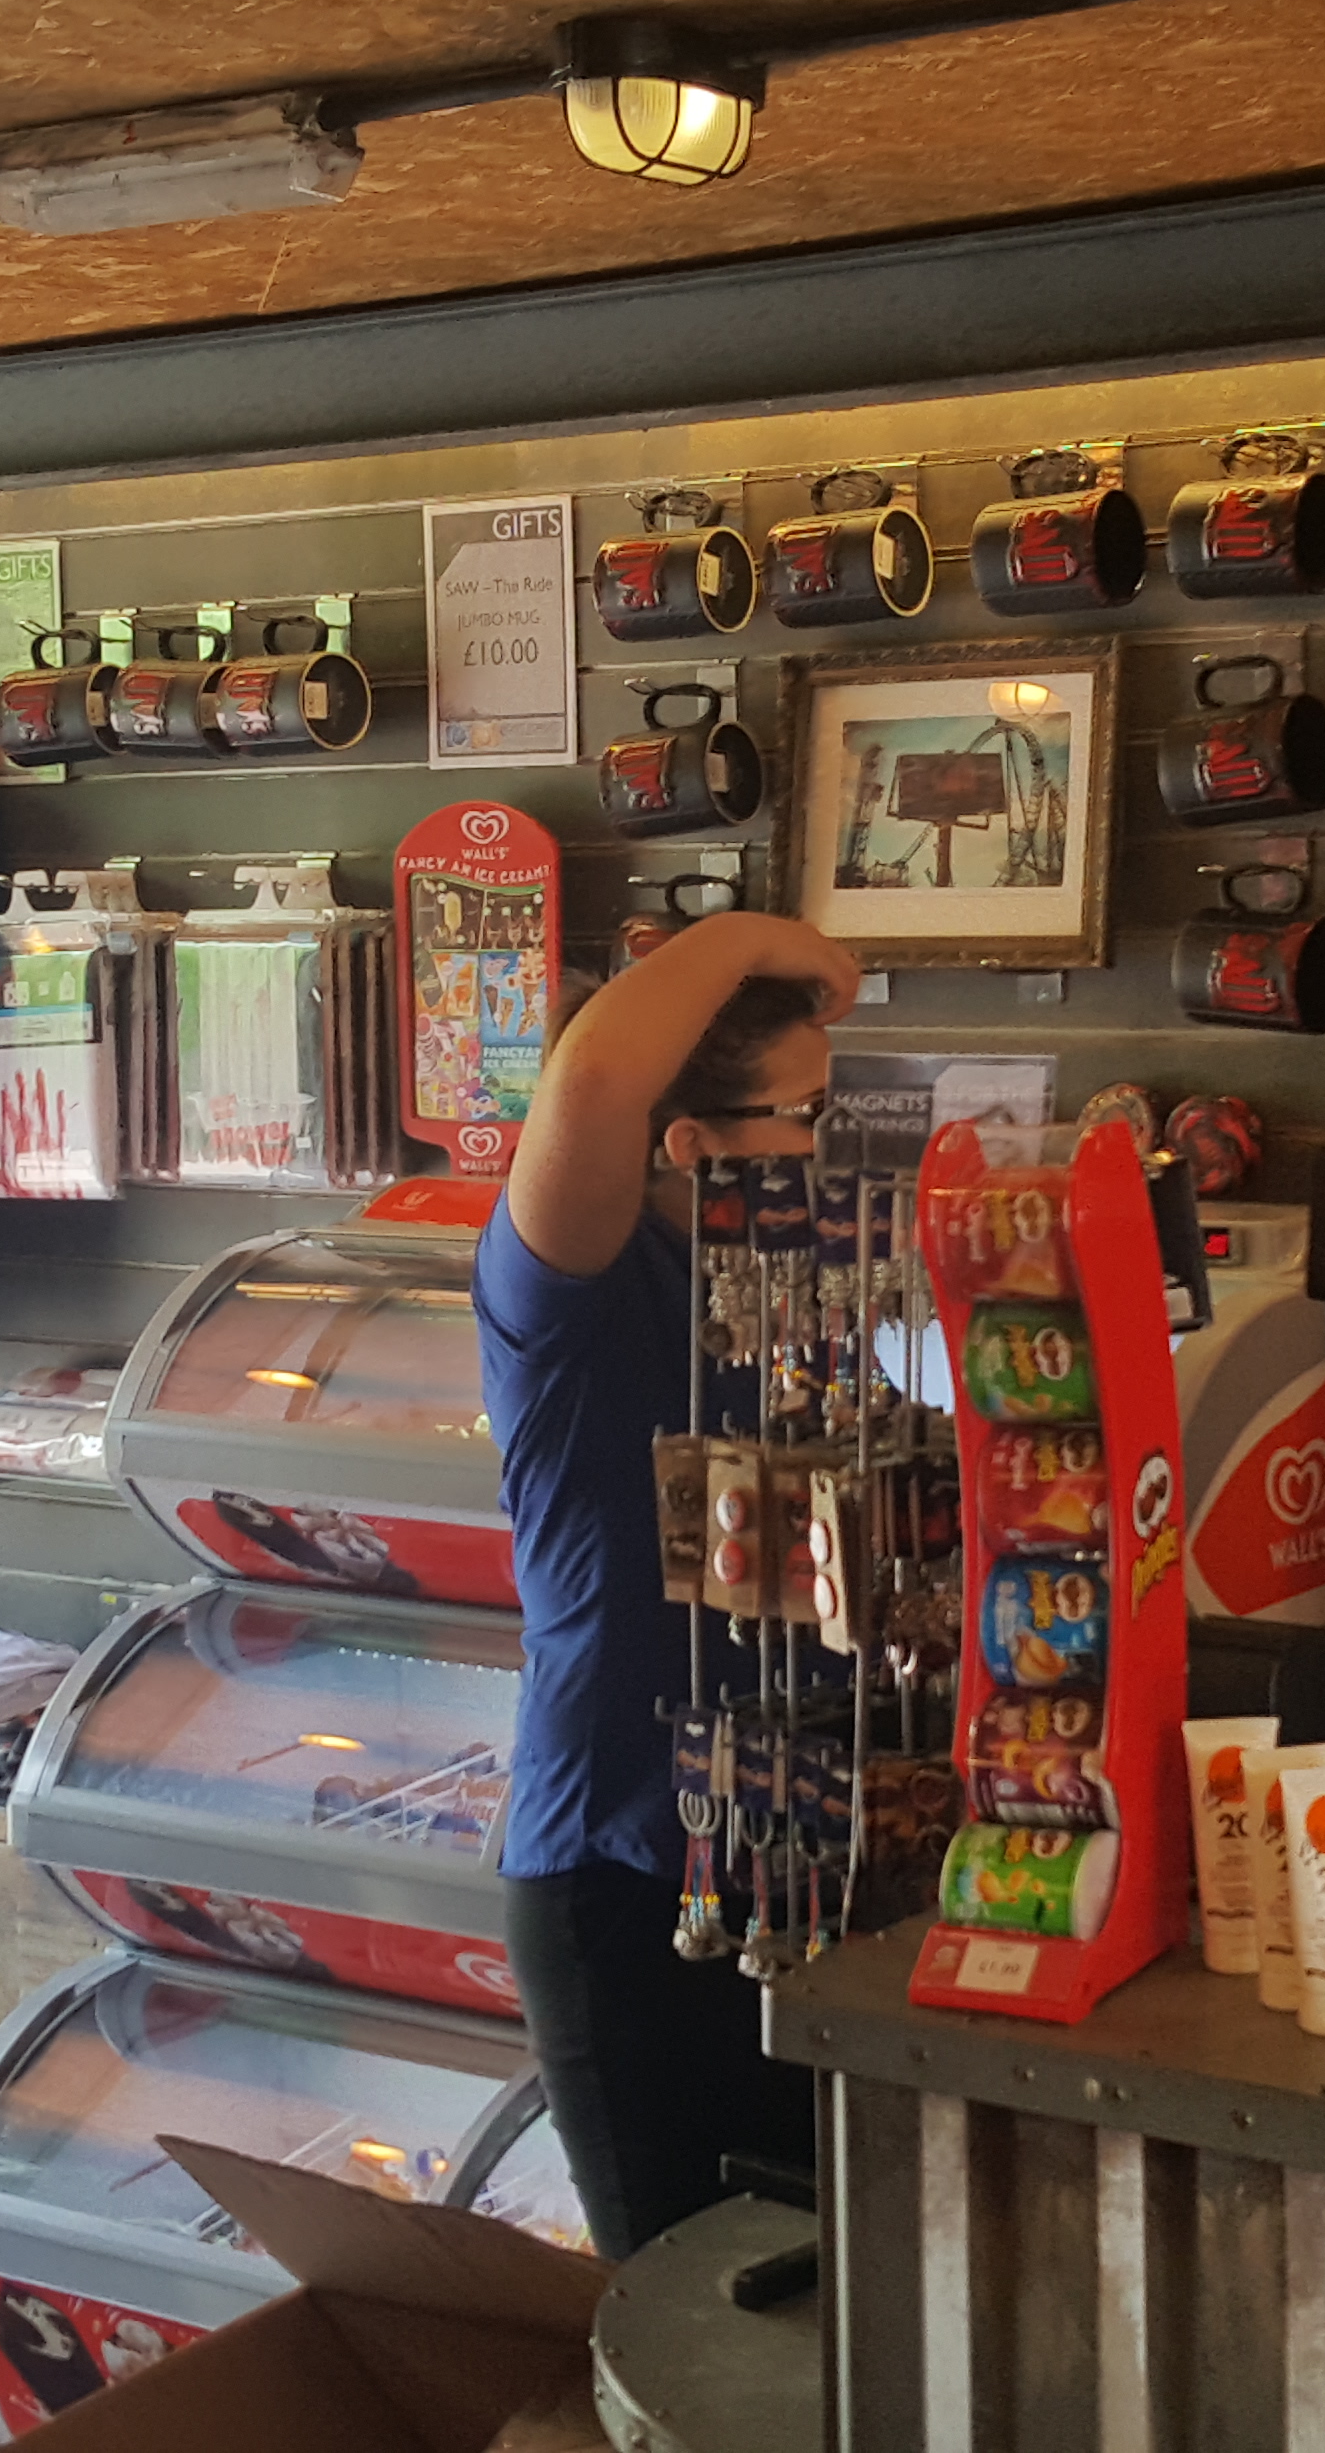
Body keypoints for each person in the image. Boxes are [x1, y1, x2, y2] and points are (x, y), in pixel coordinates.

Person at [477, 909, 860, 2257]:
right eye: (806, 1118)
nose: (828, 1150)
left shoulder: (758, 1286)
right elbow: (593, 1078)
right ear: (688, 1147)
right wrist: (751, 934)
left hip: (782, 1852)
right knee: (684, 2292)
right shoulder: (567, 1289)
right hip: (622, 1870)